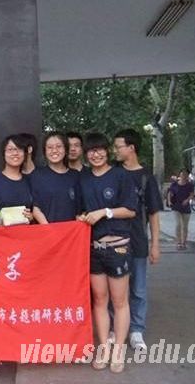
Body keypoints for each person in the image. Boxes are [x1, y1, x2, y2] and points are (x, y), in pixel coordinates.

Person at [77, 133, 136, 374]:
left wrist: (104, 212)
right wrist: (82, 217)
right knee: (99, 300)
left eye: (100, 149)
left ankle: (118, 350)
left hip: (118, 247)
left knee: (120, 301)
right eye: (91, 150)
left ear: (108, 151)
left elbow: (131, 210)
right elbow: (80, 210)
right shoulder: (83, 179)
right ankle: (103, 347)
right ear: (86, 154)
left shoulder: (121, 175)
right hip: (93, 249)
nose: (96, 154)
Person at [0, 134, 34, 380]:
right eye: (10, 149)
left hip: (24, 252)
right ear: (3, 154)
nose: (14, 153)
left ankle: (15, 348)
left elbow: (35, 212)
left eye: (19, 150)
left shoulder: (30, 182)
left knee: (20, 302)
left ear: (25, 154)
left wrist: (30, 217)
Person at [113, 129, 163, 351]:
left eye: (118, 146)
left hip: (138, 241)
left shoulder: (146, 177)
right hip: (114, 241)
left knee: (138, 288)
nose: (115, 150)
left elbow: (153, 213)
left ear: (131, 148)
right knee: (115, 287)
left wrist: (155, 245)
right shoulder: (113, 173)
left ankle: (136, 330)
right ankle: (115, 328)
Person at [30, 131, 81, 224]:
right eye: (50, 147)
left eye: (58, 146)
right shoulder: (37, 175)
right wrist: (49, 229)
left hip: (70, 230)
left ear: (66, 149)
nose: (54, 151)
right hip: (46, 229)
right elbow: (35, 208)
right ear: (45, 151)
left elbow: (78, 210)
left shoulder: (75, 176)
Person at [166, 168, 195, 250]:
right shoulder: (174, 184)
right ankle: (178, 242)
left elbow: (192, 194)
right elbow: (170, 193)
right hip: (176, 206)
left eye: (185, 174)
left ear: (187, 175)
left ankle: (184, 242)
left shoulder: (190, 185)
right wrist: (169, 201)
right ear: (180, 175)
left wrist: (187, 200)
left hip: (186, 207)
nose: (183, 176)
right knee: (178, 224)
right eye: (182, 174)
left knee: (185, 226)